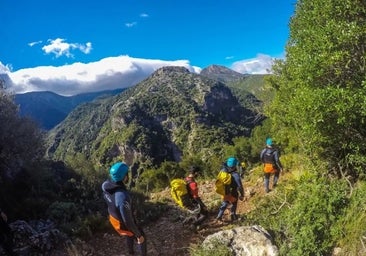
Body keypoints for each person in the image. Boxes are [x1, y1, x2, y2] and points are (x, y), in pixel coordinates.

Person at [102, 162, 147, 256]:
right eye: (127, 174)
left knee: (129, 234)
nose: (128, 176)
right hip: (121, 223)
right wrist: (138, 235)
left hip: (113, 218)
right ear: (124, 176)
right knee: (141, 237)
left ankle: (131, 253)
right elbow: (128, 221)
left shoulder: (105, 185)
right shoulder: (122, 197)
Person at [216, 157, 244, 222]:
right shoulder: (236, 175)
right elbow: (240, 186)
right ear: (235, 165)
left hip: (225, 191)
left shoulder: (223, 171)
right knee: (234, 203)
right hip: (233, 192)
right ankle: (233, 216)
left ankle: (219, 216)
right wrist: (242, 194)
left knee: (225, 203)